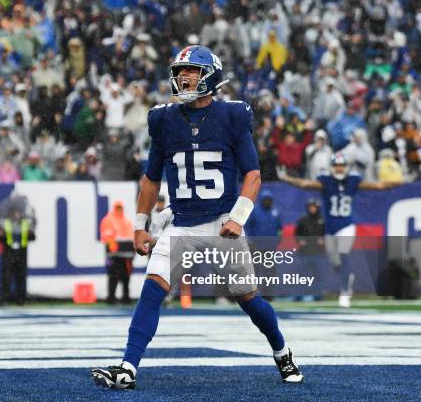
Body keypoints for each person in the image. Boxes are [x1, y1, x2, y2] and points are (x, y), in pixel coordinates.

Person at [92, 45, 303, 390]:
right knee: (152, 289)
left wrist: (238, 217)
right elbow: (151, 179)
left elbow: (253, 176)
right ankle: (127, 367)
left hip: (223, 224)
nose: (182, 77)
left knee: (249, 299)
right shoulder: (163, 119)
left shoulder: (233, 116)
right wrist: (140, 225)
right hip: (182, 223)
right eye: (179, 72)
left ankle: (281, 351)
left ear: (210, 76)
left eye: (190, 71)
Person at [278, 153, 402, 307]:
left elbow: (379, 186)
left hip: (346, 226)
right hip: (330, 229)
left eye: (342, 165)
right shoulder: (326, 182)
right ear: (332, 166)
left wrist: (400, 181)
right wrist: (286, 178)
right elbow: (304, 184)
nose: (339, 168)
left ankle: (344, 292)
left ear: (346, 167)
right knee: (335, 262)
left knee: (344, 255)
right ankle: (347, 278)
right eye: (336, 165)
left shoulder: (352, 181)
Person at [0, 192, 36, 305]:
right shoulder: (8, 216)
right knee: (9, 273)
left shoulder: (23, 216)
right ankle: (8, 297)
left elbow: (32, 228)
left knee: (18, 273)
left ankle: (18, 297)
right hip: (11, 246)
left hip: (19, 246)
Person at [99, 200, 135, 304]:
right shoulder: (108, 220)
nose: (119, 210)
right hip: (113, 254)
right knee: (113, 276)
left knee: (126, 277)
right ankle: (111, 297)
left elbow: (131, 237)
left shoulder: (127, 221)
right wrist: (112, 245)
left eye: (121, 208)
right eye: (117, 208)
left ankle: (126, 297)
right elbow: (106, 235)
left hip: (126, 255)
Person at [294, 198, 326, 301]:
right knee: (303, 275)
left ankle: (318, 295)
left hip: (318, 252)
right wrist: (301, 241)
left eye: (314, 207)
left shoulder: (322, 220)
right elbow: (296, 234)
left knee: (318, 275)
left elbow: (327, 233)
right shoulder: (303, 220)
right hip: (305, 252)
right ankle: (300, 295)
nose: (312, 209)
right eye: (310, 207)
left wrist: (323, 240)